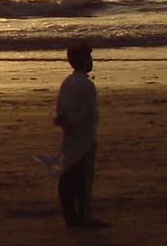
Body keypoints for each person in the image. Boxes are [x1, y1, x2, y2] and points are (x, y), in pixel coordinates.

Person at [53, 41, 104, 228]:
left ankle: (71, 216)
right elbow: (86, 112)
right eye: (89, 58)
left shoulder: (67, 82)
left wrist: (64, 121)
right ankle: (83, 217)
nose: (92, 62)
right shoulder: (86, 85)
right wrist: (71, 121)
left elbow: (60, 109)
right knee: (82, 178)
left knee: (68, 174)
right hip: (84, 136)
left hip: (70, 134)